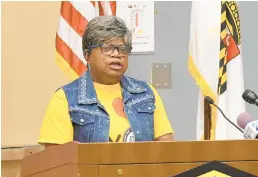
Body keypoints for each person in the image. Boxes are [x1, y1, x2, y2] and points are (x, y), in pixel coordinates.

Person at [38, 16, 174, 148]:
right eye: (107, 48)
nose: (116, 54)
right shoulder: (65, 98)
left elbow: (168, 152)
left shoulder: (146, 94)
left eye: (123, 48)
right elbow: (57, 163)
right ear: (87, 55)